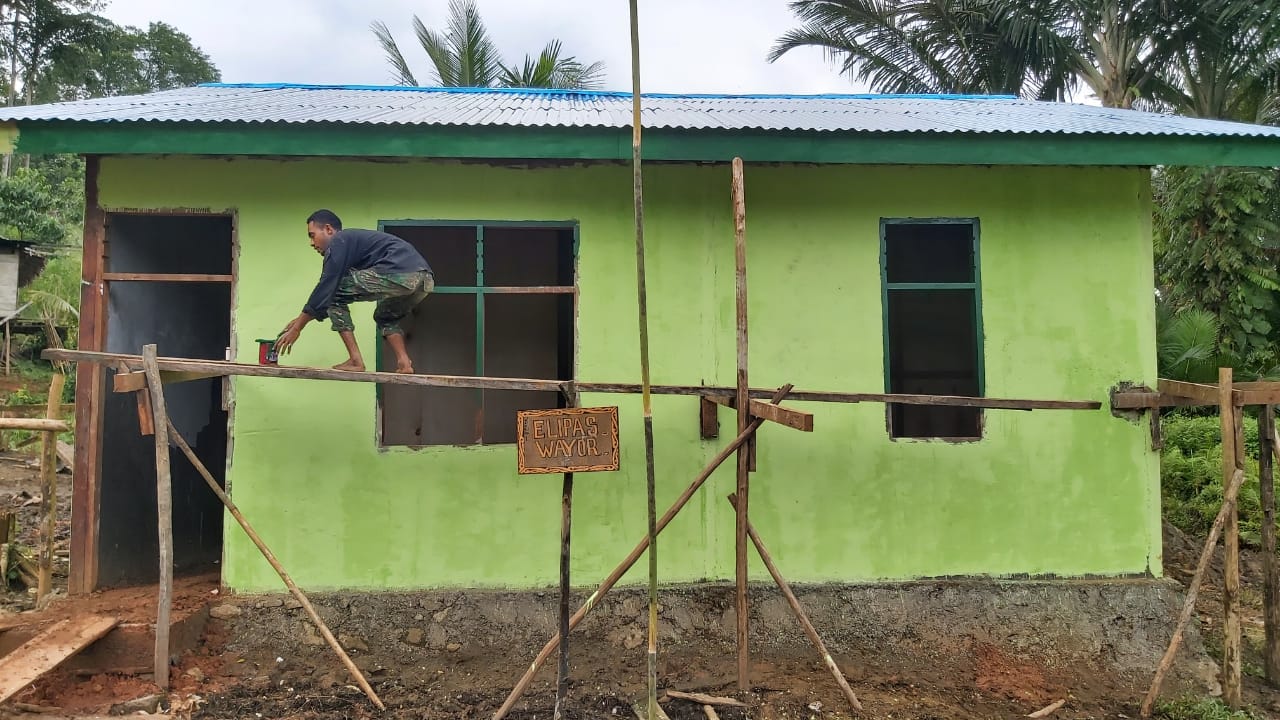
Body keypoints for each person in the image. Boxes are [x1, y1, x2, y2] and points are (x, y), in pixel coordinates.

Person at [275, 210, 433, 373]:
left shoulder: (339, 240)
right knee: (385, 316)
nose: (311, 243)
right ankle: (404, 363)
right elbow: (325, 294)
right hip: (424, 280)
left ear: (328, 229)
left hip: (399, 272)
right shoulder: (350, 245)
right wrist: (302, 318)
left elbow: (327, 287)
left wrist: (297, 328)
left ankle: (356, 360)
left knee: (334, 294)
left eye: (312, 235)